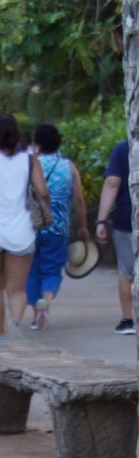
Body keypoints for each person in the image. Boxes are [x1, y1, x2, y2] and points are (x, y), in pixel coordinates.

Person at [0, 114, 52, 339]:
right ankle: (15, 322)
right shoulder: (30, 161)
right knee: (17, 289)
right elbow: (42, 192)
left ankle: (0, 334)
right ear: (17, 134)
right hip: (21, 231)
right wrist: (44, 207)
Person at [26, 125, 88, 332]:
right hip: (58, 227)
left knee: (32, 270)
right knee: (52, 269)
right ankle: (47, 299)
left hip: (31, 226)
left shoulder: (30, 165)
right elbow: (79, 200)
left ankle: (36, 316)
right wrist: (83, 226)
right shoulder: (68, 166)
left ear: (37, 144)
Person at [95, 138, 133, 333]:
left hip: (127, 218)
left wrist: (101, 220)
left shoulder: (123, 148)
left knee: (126, 272)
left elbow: (112, 183)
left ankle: (128, 320)